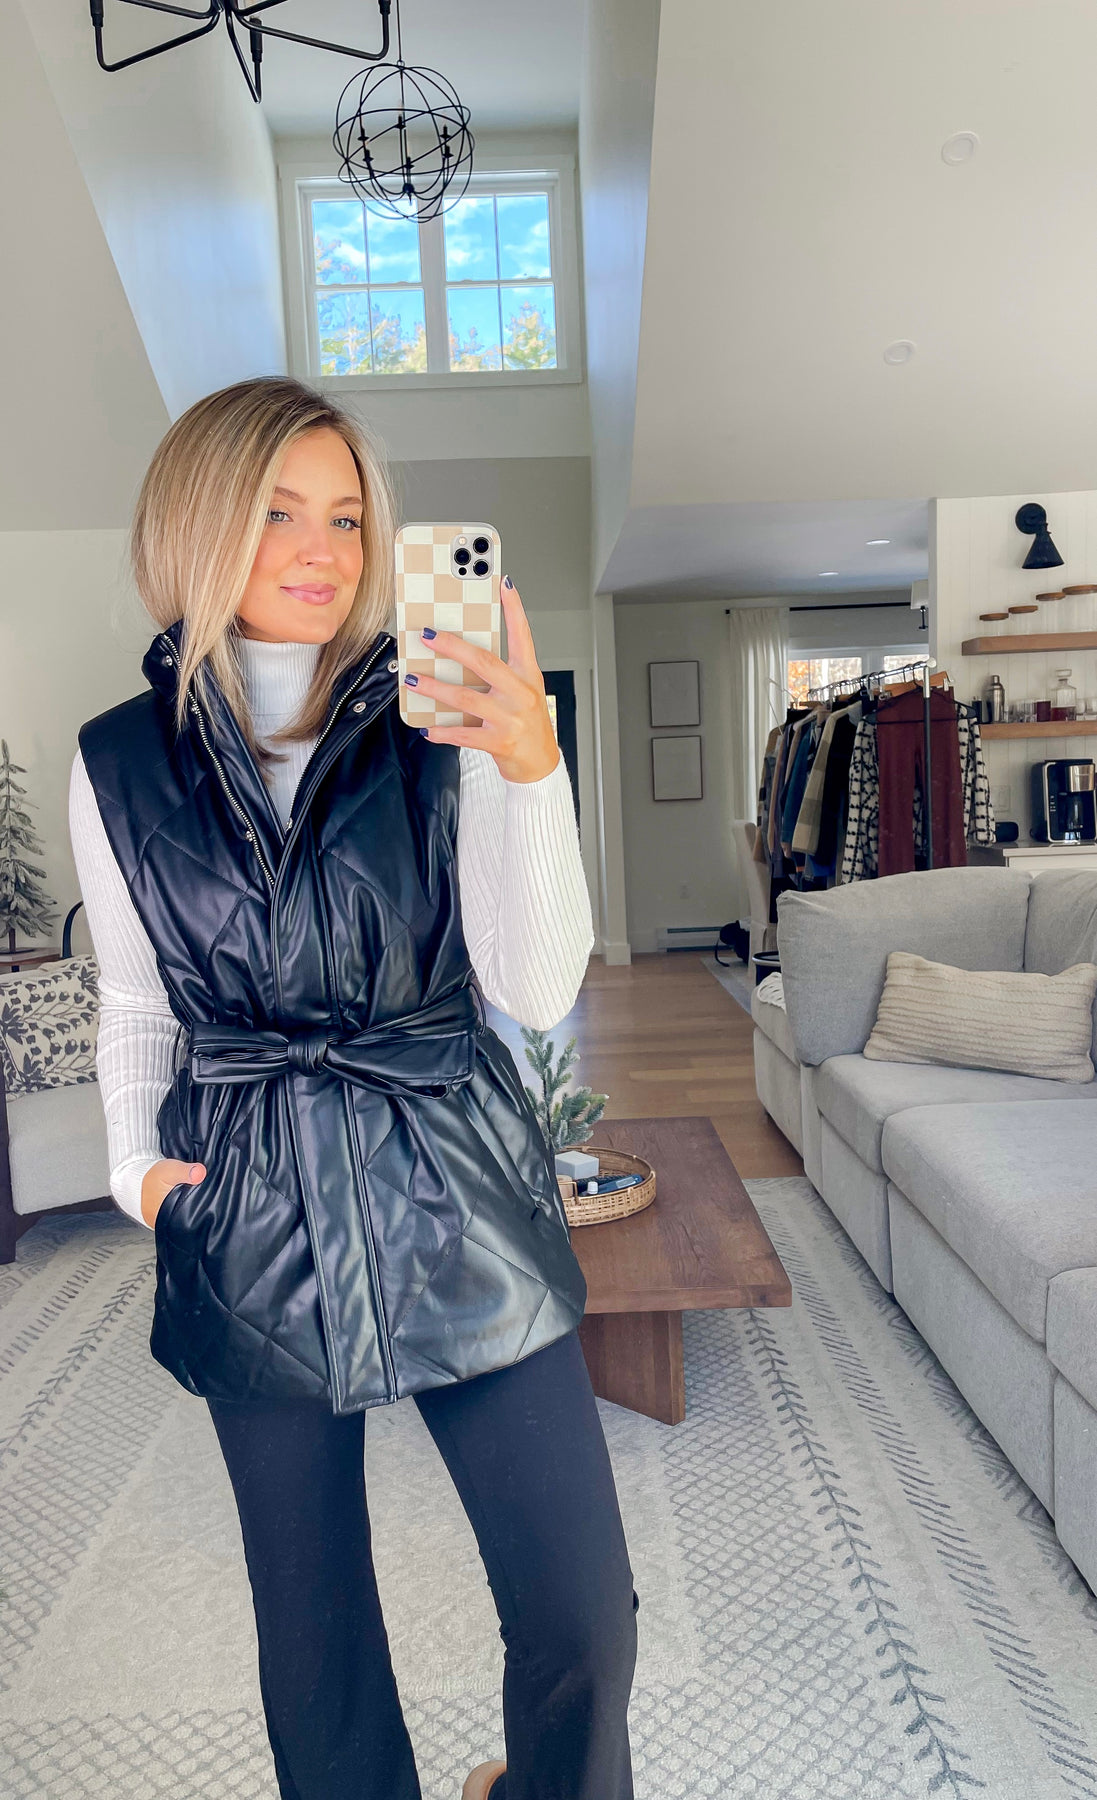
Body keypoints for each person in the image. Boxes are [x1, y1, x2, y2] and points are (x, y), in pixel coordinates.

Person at [68, 375, 638, 1800]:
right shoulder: (117, 764)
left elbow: (534, 984)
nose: (323, 550)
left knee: (580, 1610)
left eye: (346, 516)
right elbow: (135, 998)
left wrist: (531, 770)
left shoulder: (438, 719)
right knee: (312, 1636)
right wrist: (138, 1175)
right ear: (197, 525)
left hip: (455, 1174)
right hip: (248, 1202)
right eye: (278, 513)